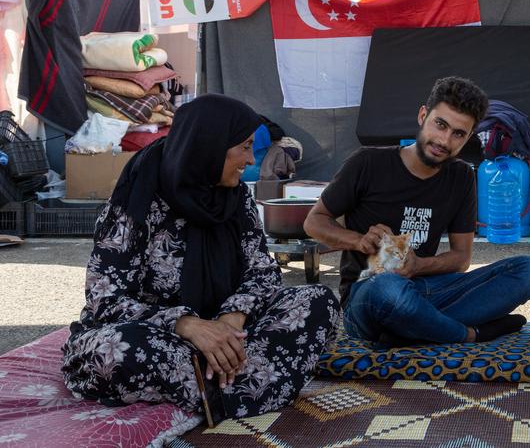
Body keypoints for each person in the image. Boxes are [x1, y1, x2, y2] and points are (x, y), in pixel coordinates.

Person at [62, 95, 340, 422]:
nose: (250, 160)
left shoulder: (235, 198)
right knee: (118, 348)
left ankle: (216, 388)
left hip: (230, 334)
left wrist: (229, 320)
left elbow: (263, 274)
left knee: (317, 301)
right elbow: (105, 300)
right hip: (163, 337)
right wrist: (189, 326)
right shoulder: (135, 202)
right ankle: (247, 388)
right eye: (244, 147)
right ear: (209, 146)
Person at [305, 76, 530, 347]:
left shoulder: (461, 176)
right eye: (440, 125)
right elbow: (314, 222)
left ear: (468, 137)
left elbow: (461, 258)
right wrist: (358, 241)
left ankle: (408, 331)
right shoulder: (368, 162)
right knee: (389, 290)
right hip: (369, 292)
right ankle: (467, 333)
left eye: (458, 133)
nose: (444, 140)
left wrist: (419, 265)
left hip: (427, 288)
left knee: (528, 270)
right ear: (422, 115)